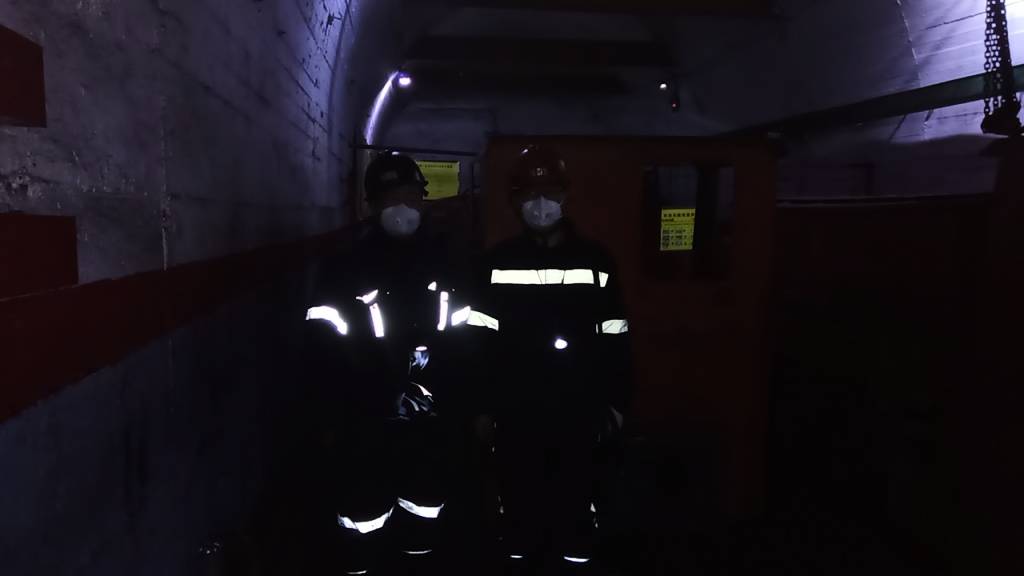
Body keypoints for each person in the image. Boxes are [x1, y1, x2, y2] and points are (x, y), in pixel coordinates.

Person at [304, 152, 473, 575]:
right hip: (364, 422)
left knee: (424, 509)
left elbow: (467, 337)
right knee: (363, 516)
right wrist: (343, 407)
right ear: (371, 204)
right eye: (391, 197)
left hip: (430, 423)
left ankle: (418, 561)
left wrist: (452, 397)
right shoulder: (344, 267)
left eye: (411, 195)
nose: (403, 206)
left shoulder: (448, 261)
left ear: (424, 199)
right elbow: (323, 345)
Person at [475, 145, 632, 574]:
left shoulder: (596, 261)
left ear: (565, 196)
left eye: (549, 193)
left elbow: (616, 337)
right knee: (518, 504)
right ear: (515, 201)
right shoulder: (495, 263)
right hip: (516, 412)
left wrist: (617, 403)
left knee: (576, 503)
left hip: (580, 410)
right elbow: (479, 342)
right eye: (529, 194)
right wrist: (482, 407)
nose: (540, 204)